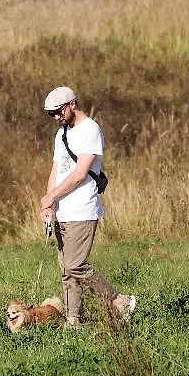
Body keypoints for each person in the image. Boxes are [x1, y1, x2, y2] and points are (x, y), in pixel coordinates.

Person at [38, 86, 136, 327]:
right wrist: (49, 202)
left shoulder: (90, 130)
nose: (56, 117)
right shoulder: (61, 134)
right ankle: (74, 319)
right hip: (62, 209)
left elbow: (80, 173)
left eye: (58, 111)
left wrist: (52, 197)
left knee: (75, 264)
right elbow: (57, 170)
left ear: (72, 104)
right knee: (66, 270)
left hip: (82, 208)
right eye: (51, 114)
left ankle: (119, 300)